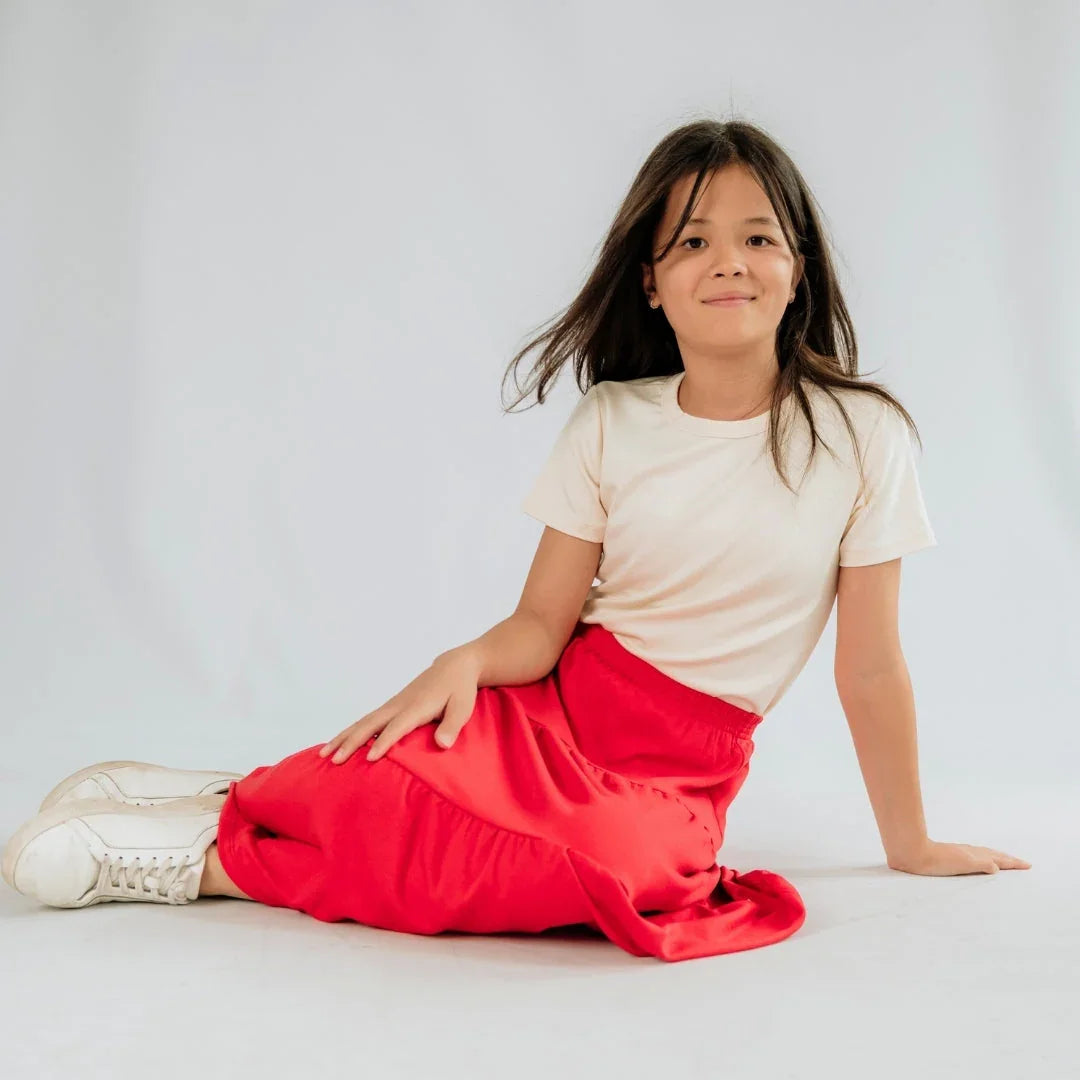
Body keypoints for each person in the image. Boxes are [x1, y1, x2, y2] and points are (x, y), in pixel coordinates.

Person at [1, 118, 1030, 962]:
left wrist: (911, 842)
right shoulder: (612, 423)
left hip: (678, 772)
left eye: (760, 237)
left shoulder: (862, 435)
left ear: (799, 269)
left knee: (618, 872)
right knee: (397, 775)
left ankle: (204, 865)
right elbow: (543, 624)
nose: (730, 263)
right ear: (649, 283)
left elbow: (871, 665)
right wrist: (465, 661)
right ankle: (227, 801)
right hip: (563, 712)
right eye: (692, 242)